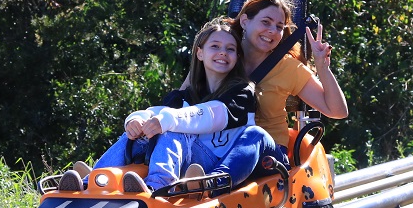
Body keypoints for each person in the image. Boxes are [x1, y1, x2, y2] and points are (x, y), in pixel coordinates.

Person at [58, 17, 277, 193]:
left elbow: (212, 115)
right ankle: (92, 181)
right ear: (200, 53)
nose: (222, 52)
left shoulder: (241, 92)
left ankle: (158, 185)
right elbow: (156, 113)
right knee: (139, 133)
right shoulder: (184, 95)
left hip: (216, 162)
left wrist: (167, 121)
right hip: (188, 158)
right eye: (215, 46)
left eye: (230, 49)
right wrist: (136, 121)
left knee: (174, 127)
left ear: (237, 57)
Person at [228, 0, 348, 165]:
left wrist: (322, 65)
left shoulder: (288, 68)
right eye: (265, 22)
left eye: (279, 26)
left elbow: (337, 111)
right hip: (223, 144)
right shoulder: (223, 55)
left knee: (252, 139)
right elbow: (188, 96)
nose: (272, 31)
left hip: (267, 154)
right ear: (245, 21)